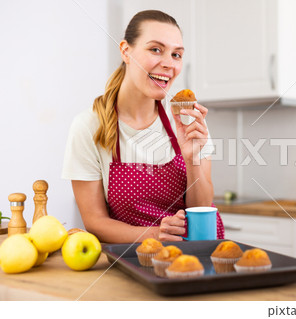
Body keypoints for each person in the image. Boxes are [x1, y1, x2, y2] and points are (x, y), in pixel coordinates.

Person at [62, 10, 224, 243]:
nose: (169, 64)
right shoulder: (88, 126)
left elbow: (201, 208)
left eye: (176, 54)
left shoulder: (188, 118)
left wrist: (192, 160)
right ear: (126, 51)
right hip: (137, 256)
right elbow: (95, 221)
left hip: (199, 254)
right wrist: (155, 235)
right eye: (156, 49)